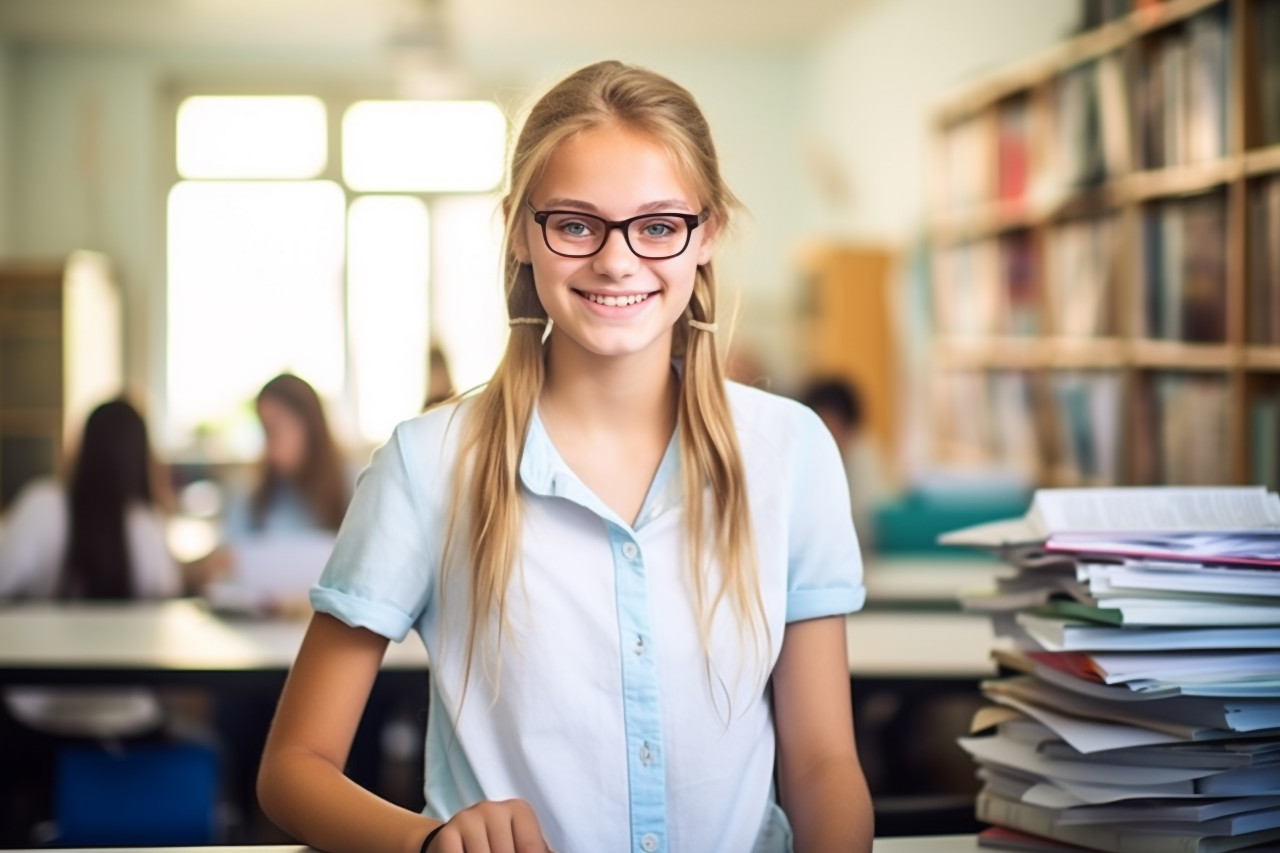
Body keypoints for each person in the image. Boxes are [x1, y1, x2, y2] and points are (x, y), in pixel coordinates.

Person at [258, 60, 874, 853]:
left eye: (657, 225)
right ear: (522, 229)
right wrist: (430, 841)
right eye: (577, 224)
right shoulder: (429, 463)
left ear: (707, 234)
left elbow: (823, 762)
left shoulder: (792, 454)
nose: (617, 261)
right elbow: (292, 767)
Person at [0, 398, 181, 843]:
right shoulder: (146, 524)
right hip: (129, 718)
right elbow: (170, 598)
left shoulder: (42, 505)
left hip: (36, 713)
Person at [800, 376, 886, 557]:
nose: (831, 436)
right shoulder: (803, 457)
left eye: (835, 426)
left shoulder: (864, 454)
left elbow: (870, 523)